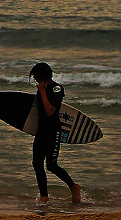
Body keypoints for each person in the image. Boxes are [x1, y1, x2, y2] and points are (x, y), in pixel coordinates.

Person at [29, 62, 81, 203]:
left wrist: (43, 92)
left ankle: (73, 186)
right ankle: (44, 197)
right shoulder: (42, 89)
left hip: (53, 131)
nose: (35, 80)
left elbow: (50, 111)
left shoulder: (57, 89)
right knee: (37, 163)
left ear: (42, 76)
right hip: (41, 131)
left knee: (51, 165)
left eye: (36, 77)